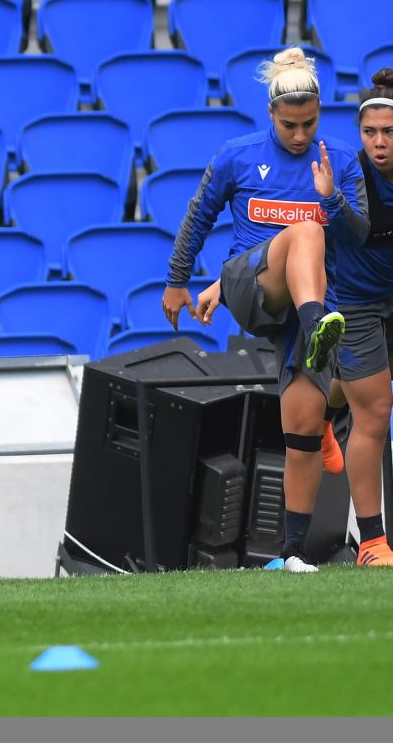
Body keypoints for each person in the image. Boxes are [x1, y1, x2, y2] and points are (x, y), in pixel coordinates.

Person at [164, 47, 367, 572]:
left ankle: (292, 554)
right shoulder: (238, 153)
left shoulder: (341, 161)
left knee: (301, 426)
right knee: (303, 232)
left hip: (313, 298)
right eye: (289, 125)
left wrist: (335, 201)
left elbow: (363, 238)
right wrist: (178, 282)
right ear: (271, 115)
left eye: (309, 124)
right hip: (250, 284)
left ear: (320, 113)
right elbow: (198, 215)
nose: (299, 136)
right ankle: (316, 330)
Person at [313, 70, 393, 567]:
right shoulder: (347, 173)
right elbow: (342, 232)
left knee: (365, 390)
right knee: (376, 414)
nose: (380, 142)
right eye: (371, 133)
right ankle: (373, 543)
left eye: (389, 132)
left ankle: (324, 404)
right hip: (357, 304)